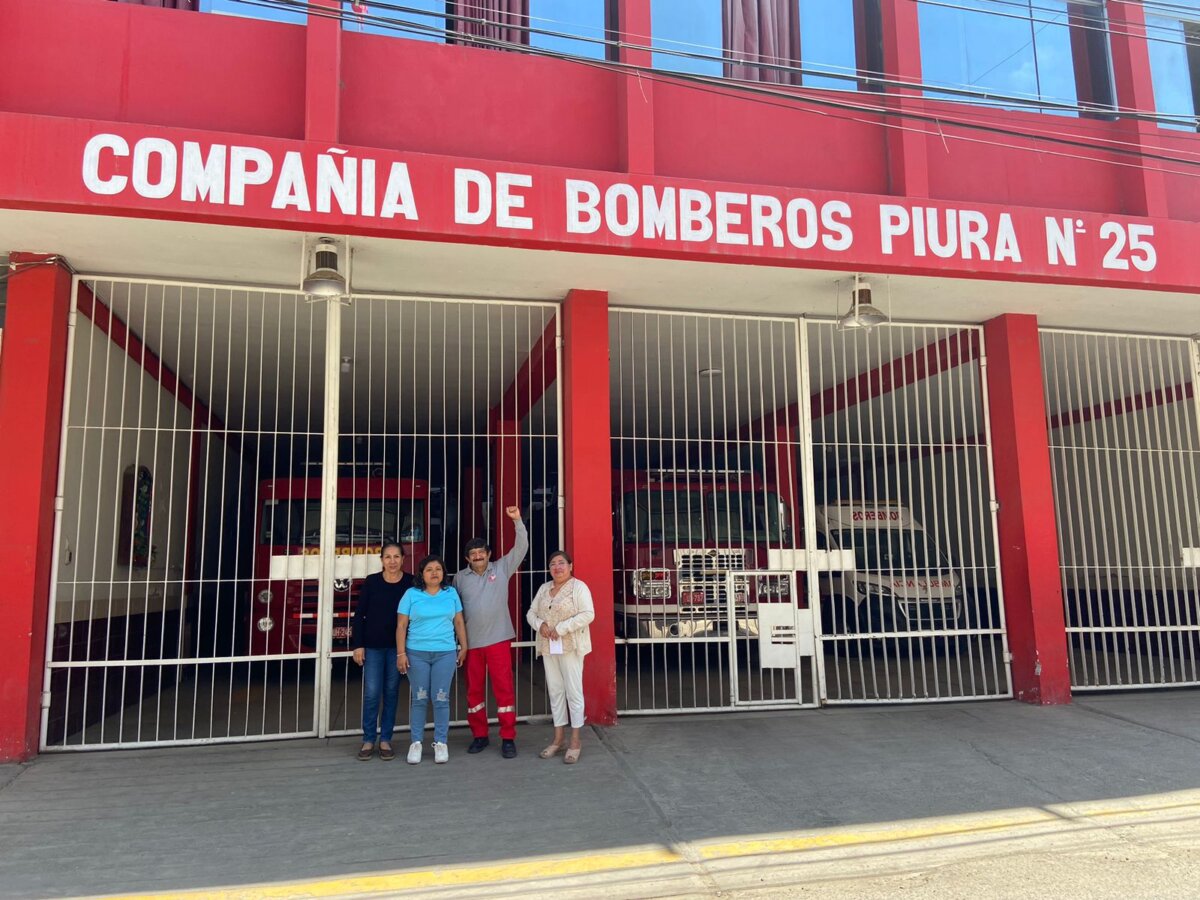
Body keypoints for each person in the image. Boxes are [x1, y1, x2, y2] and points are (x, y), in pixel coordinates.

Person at [454, 506, 528, 759]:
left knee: (504, 690)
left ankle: (508, 737)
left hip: (498, 640)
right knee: (474, 692)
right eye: (472, 554)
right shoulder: (458, 579)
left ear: (489, 554)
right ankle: (480, 735)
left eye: (481, 553)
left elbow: (521, 548)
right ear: (467, 558)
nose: (477, 557)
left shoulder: (502, 568)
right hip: (472, 644)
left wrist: (517, 520)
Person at [396, 554, 467, 765]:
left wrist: (464, 646)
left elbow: (459, 622)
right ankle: (416, 743)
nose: (434, 573)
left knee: (441, 697)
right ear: (421, 574)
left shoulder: (451, 593)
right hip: (416, 653)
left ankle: (441, 743)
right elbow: (401, 626)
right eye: (429, 569)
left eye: (438, 569)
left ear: (443, 573)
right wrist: (401, 653)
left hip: (445, 653)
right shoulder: (411, 594)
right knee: (419, 698)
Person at [526, 550, 594, 765]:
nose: (557, 567)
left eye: (561, 563)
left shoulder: (579, 587)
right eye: (553, 563)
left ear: (570, 566)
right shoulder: (544, 588)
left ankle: (575, 740)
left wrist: (562, 628)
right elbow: (531, 612)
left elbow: (588, 614)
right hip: (549, 647)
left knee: (574, 691)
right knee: (555, 690)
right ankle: (558, 738)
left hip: (570, 646)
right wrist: (541, 625)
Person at [350, 541, 413, 761]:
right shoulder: (372, 582)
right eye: (388, 557)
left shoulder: (411, 582)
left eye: (397, 557)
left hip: (398, 648)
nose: (392, 561)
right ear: (382, 560)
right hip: (373, 646)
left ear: (403, 559)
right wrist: (358, 644)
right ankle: (368, 739)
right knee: (372, 693)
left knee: (392, 692)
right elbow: (359, 615)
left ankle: (385, 739)